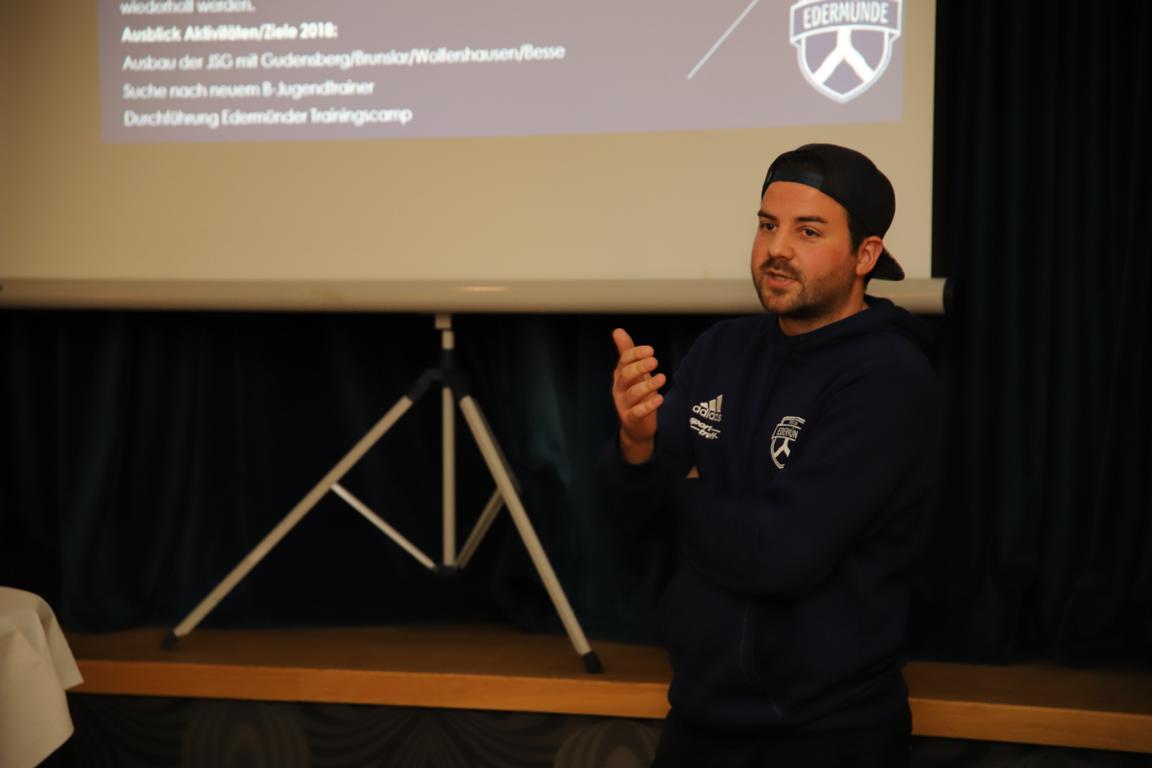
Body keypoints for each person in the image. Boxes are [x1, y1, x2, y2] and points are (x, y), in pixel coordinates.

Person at [601, 144, 939, 767]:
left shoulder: (887, 376)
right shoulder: (720, 349)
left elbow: (778, 556)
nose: (776, 248)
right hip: (699, 716)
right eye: (767, 225)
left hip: (828, 731)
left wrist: (688, 488)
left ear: (866, 256)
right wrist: (637, 444)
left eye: (808, 231)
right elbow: (632, 523)